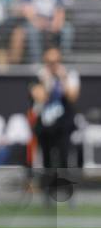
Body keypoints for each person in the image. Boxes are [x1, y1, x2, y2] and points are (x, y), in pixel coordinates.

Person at [29, 47, 80, 206]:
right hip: (45, 126)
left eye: (56, 62)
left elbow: (72, 96)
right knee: (47, 161)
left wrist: (62, 78)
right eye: (50, 62)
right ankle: (47, 194)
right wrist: (48, 81)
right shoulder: (39, 76)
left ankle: (67, 193)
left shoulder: (69, 75)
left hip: (63, 125)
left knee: (64, 158)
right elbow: (40, 96)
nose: (53, 65)